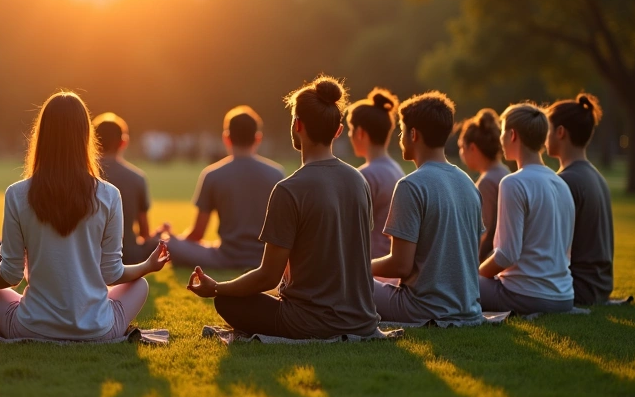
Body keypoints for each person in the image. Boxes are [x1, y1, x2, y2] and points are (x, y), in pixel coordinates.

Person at [0, 92, 171, 341]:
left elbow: (10, 275)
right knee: (140, 285)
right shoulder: (109, 195)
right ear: (86, 136)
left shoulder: (16, 194)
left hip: (32, 327)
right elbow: (111, 274)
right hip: (98, 329)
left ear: (43, 136)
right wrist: (147, 266)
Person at [188, 76, 379, 340]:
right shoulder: (359, 180)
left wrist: (218, 287)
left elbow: (268, 276)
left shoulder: (289, 189)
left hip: (310, 322)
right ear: (337, 131)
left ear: (297, 125)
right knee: (240, 290)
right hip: (361, 320)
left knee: (227, 300)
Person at [371, 92, 483, 324]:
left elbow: (401, 265)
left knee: (350, 282)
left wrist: (359, 265)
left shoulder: (410, 185)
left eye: (402, 132)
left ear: (413, 134)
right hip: (468, 308)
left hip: (421, 309)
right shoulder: (468, 184)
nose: (400, 138)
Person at [478, 103, 575, 315]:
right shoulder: (561, 185)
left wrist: (475, 274)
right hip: (564, 297)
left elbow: (506, 255)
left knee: (455, 285)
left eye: (503, 132)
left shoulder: (513, 183)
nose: (500, 139)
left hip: (525, 296)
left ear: (512, 135)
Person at [162, 106, 285, 270]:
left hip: (226, 257)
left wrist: (175, 239)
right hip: (265, 259)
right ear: (258, 138)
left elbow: (197, 234)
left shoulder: (213, 174)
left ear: (226, 138)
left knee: (170, 243)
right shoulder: (276, 174)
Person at [546, 93, 614, 306]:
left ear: (560, 132)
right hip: (600, 286)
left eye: (546, 129)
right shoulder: (596, 177)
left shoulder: (566, 181)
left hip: (577, 288)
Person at [346, 88, 406, 260]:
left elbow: (348, 230)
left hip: (370, 268)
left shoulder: (364, 176)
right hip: (389, 264)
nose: (350, 135)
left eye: (350, 129)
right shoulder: (396, 170)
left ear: (360, 133)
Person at [93, 112, 157, 264]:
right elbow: (145, 233)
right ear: (123, 142)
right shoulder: (137, 178)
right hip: (127, 256)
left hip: (88, 256)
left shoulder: (81, 174)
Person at [459, 109, 511, 263]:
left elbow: (483, 233)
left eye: (462, 147)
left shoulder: (487, 182)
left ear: (473, 148)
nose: (461, 153)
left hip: (487, 262)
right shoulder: (504, 171)